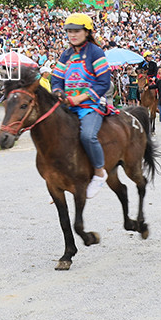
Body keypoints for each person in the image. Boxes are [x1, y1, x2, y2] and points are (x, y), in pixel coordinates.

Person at [50, 12, 112, 199]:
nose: (72, 35)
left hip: (91, 105)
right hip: (68, 105)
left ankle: (100, 173)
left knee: (87, 136)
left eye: (76, 31)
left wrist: (80, 98)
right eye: (69, 31)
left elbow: (103, 82)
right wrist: (58, 92)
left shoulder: (95, 52)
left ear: (87, 32)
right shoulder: (66, 54)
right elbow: (56, 79)